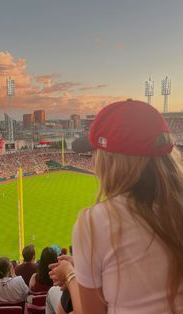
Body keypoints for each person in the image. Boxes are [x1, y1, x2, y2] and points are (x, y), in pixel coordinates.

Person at [70, 99, 183, 314]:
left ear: (113, 160)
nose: (94, 163)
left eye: (96, 153)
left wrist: (70, 275)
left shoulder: (94, 223)